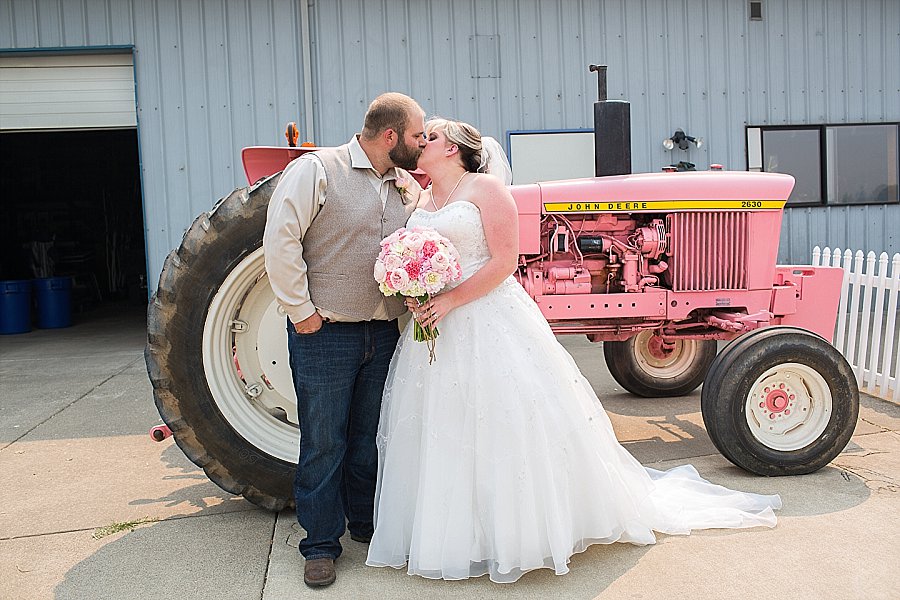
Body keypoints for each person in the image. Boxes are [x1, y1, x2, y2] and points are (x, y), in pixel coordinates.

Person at [365, 118, 782, 583]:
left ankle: (517, 532)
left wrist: (448, 300)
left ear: (455, 149)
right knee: (445, 426)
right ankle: (459, 533)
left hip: (484, 317)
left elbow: (503, 263)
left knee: (502, 422)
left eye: (432, 137)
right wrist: (415, 290)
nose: (422, 142)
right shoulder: (423, 197)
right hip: (435, 324)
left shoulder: (485, 190)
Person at [262, 92, 426, 588]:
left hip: (382, 331)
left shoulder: (406, 188)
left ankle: (366, 526)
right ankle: (319, 545)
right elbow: (281, 238)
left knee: (369, 440)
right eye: (418, 135)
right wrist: (302, 312)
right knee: (324, 441)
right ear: (391, 136)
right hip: (326, 333)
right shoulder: (318, 169)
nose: (422, 145)